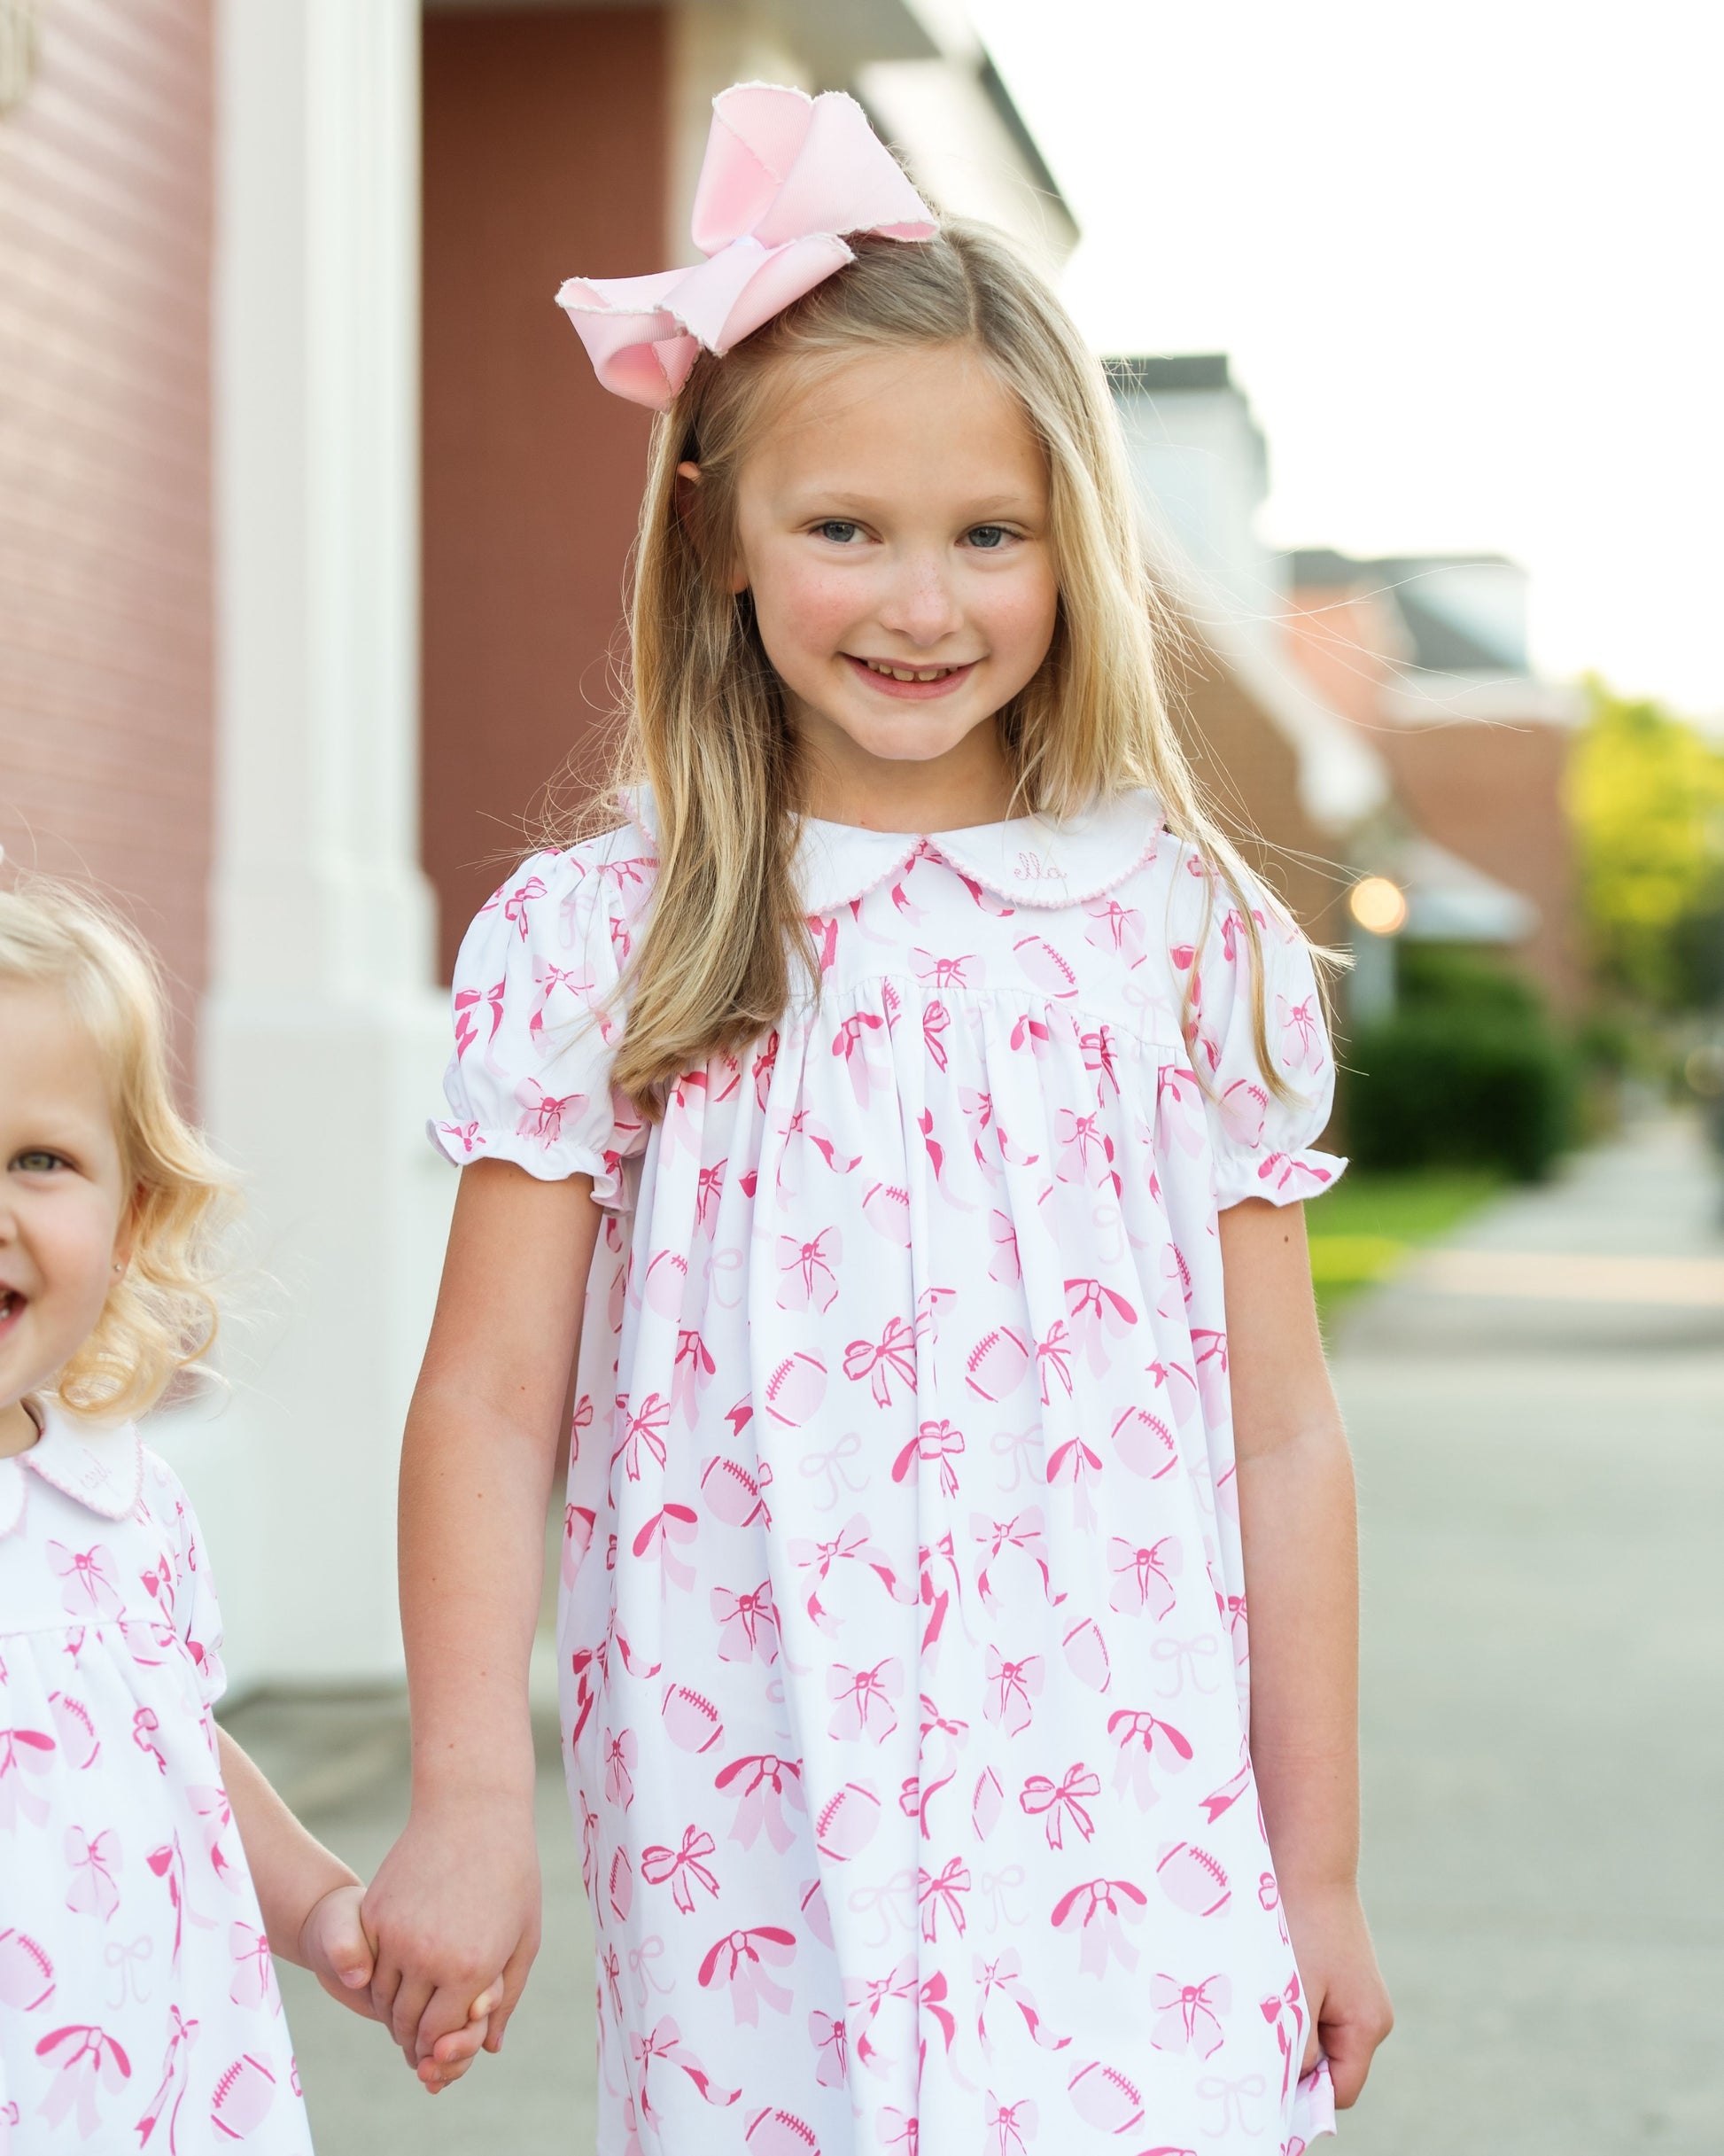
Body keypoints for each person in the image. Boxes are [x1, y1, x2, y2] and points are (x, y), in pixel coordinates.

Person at [365, 82, 1393, 2153]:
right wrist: (476, 1795)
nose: (920, 603)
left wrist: (1320, 1868)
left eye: (987, 535)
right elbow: (488, 1396)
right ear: (718, 540)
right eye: (845, 528)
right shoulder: (612, 937)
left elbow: (1278, 1432)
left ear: (1073, 550)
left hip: (1122, 1781)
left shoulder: (1178, 944)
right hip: (753, 1778)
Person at [0, 877, 495, 2151]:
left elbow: (176, 1743)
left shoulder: (123, 1500)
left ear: (134, 1211)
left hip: (164, 2093)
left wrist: (319, 1902)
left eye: (38, 1159)